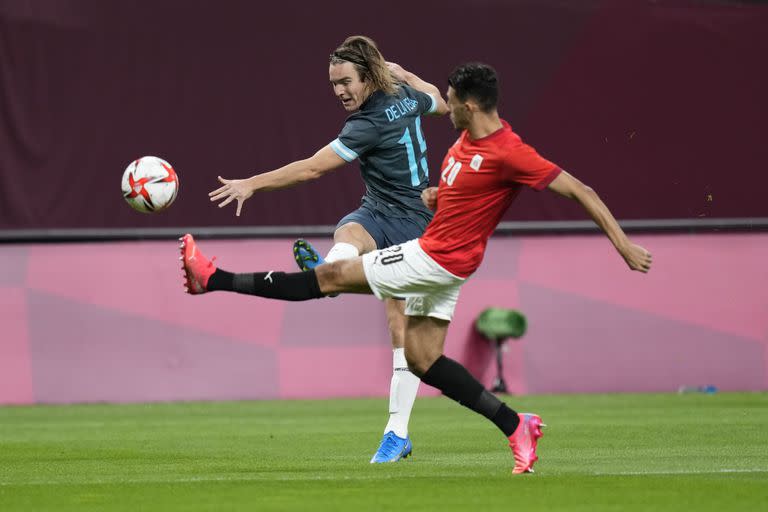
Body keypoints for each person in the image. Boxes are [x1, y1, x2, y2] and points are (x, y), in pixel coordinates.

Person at [184, 62, 653, 474]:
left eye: (451, 101)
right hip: (444, 258)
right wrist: (438, 195)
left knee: (326, 280)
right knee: (422, 360)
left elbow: (582, 191)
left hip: (431, 258)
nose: (444, 107)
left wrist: (623, 245)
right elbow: (466, 186)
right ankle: (518, 426)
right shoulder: (467, 138)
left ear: (470, 103)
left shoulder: (510, 153)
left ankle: (213, 279)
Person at [206, 35, 449, 463]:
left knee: (402, 333)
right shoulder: (407, 97)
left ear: (368, 76)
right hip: (379, 210)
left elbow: (314, 168)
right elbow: (440, 102)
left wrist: (251, 183)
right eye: (334, 83)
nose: (339, 91)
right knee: (349, 233)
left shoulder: (367, 125)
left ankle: (397, 432)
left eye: (346, 81)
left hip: (416, 224)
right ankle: (332, 274)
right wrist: (407, 75)